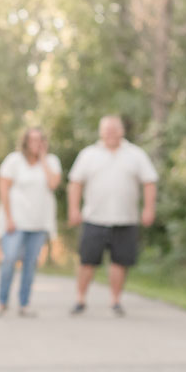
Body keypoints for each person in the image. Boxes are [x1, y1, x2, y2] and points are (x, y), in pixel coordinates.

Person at [66, 115, 158, 317]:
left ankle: (115, 300)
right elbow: (75, 183)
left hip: (126, 218)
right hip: (94, 218)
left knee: (120, 261)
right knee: (87, 261)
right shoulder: (89, 154)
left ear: (121, 131)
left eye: (114, 129)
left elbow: (149, 182)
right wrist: (74, 209)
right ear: (101, 132)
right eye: (106, 130)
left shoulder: (135, 154)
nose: (110, 133)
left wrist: (149, 208)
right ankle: (80, 299)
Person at [0, 127, 61, 318]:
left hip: (39, 222)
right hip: (16, 221)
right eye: (32, 140)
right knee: (10, 259)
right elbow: (4, 190)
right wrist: (9, 218)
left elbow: (53, 184)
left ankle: (24, 304)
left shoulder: (52, 161)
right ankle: (1, 302)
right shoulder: (14, 161)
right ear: (25, 142)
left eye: (40, 140)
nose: (36, 144)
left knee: (30, 263)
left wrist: (44, 159)